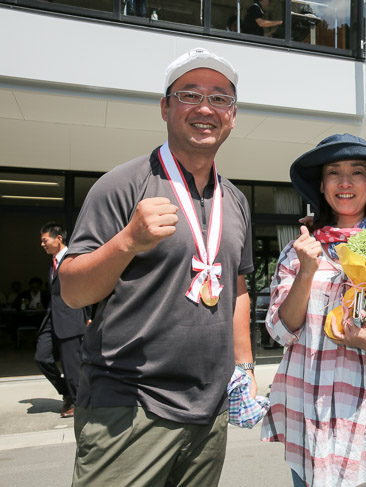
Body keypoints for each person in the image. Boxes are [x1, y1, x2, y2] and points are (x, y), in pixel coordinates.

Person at [59, 47, 255, 486]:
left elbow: (238, 288)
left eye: (220, 98)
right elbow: (72, 291)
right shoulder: (122, 184)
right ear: (165, 107)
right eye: (190, 94)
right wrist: (129, 240)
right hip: (129, 407)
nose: (206, 108)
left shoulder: (236, 200)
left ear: (233, 115)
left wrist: (243, 367)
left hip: (210, 410)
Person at [261, 133, 366, 487]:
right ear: (322, 186)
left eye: (356, 172)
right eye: (333, 172)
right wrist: (307, 271)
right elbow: (280, 330)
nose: (344, 182)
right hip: (308, 405)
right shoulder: (300, 251)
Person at [35, 222, 90, 419]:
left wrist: (89, 316)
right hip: (52, 318)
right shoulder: (52, 263)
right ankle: (66, 392)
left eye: (44, 240)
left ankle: (77, 402)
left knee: (71, 366)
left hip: (71, 318)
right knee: (42, 357)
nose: (42, 244)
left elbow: (86, 287)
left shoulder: (73, 259)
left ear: (58, 238)